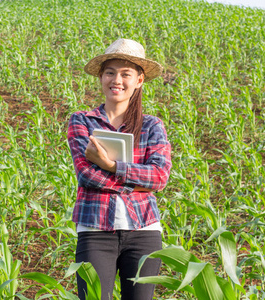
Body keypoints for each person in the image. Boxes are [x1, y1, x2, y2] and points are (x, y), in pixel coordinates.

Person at [67, 38, 172, 300]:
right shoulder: (83, 121)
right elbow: (86, 175)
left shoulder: (151, 126)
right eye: (110, 72)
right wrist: (138, 183)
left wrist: (109, 165)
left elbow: (160, 177)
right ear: (101, 77)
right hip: (95, 232)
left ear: (139, 80)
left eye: (126, 74)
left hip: (144, 232)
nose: (117, 80)